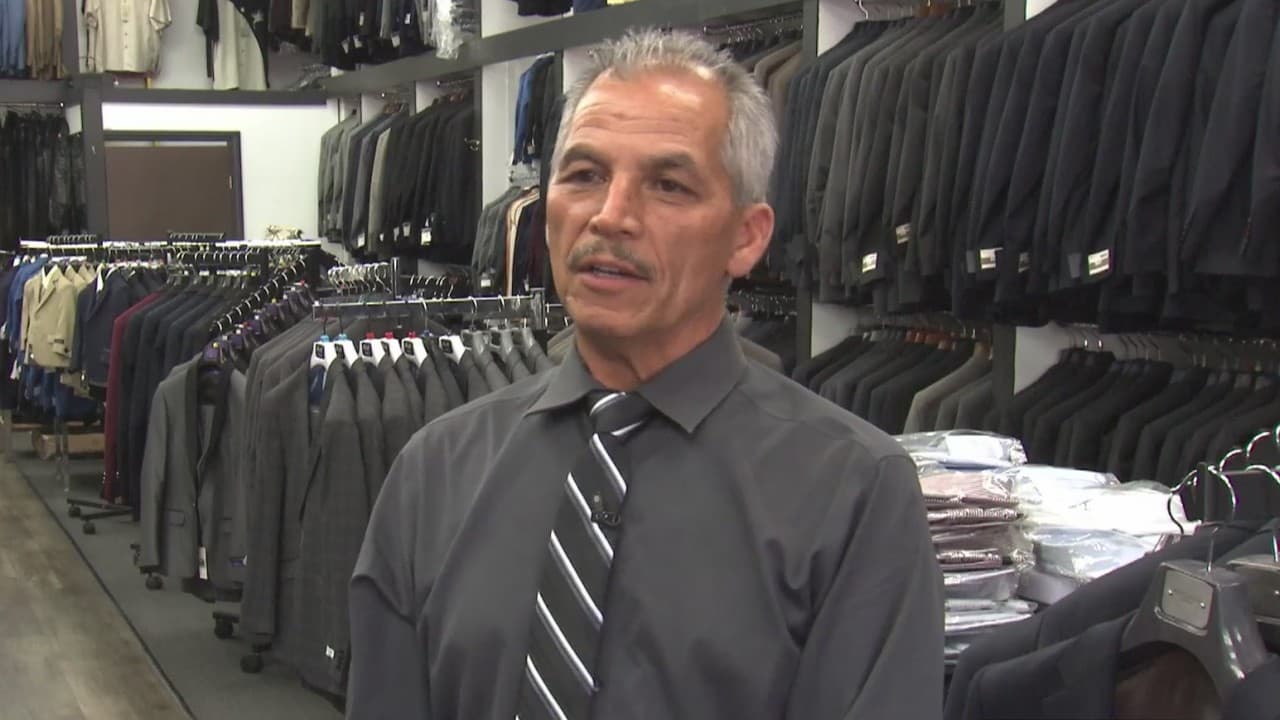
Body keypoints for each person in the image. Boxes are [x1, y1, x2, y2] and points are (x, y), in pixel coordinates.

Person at [346, 28, 943, 720]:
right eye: (584, 176)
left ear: (747, 236)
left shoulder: (853, 492)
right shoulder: (436, 472)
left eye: (668, 185)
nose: (611, 216)